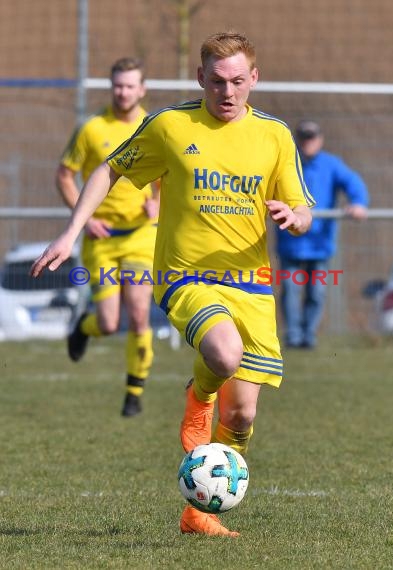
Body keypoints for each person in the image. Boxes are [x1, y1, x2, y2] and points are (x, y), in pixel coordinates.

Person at [31, 31, 314, 536]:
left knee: (244, 414)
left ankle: (198, 514)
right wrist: (70, 232)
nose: (227, 93)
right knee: (223, 356)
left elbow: (304, 208)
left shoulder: (274, 135)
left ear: (255, 79)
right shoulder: (169, 125)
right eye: (217, 81)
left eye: (238, 82)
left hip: (252, 284)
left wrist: (293, 216)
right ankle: (200, 393)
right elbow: (108, 171)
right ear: (200, 78)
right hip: (186, 276)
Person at [55, 57, 159, 417]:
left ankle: (133, 393)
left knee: (140, 313)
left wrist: (158, 202)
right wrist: (86, 219)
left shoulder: (154, 126)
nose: (123, 91)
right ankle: (83, 328)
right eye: (118, 85)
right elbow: (65, 175)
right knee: (109, 322)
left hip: (140, 236)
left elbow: (167, 173)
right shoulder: (91, 128)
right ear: (111, 86)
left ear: (142, 89)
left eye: (130, 85)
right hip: (101, 238)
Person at [275, 119, 369, 349]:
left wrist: (358, 202)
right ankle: (293, 335)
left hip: (320, 244)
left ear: (320, 139)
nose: (308, 143)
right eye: (304, 138)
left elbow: (353, 182)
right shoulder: (287, 161)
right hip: (290, 242)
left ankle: (308, 335)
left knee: (316, 292)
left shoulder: (331, 164)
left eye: (312, 138)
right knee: (289, 290)